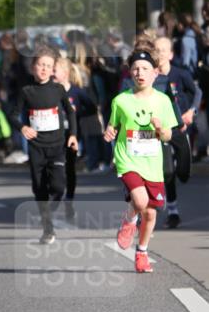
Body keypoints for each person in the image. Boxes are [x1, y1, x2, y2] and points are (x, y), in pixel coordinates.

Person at [104, 43, 178, 273]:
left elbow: (168, 135)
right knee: (139, 202)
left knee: (151, 212)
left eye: (145, 69)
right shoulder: (121, 100)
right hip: (128, 160)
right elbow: (112, 126)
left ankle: (142, 252)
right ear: (130, 72)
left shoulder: (163, 101)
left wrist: (160, 128)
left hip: (152, 163)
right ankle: (128, 221)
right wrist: (109, 132)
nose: (140, 73)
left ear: (156, 73)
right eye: (136, 69)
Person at [21, 46, 78, 244]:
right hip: (36, 147)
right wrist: (22, 128)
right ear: (33, 67)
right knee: (39, 187)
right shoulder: (27, 91)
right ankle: (48, 228)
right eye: (41, 65)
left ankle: (49, 212)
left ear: (53, 68)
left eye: (48, 66)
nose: (44, 69)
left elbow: (70, 112)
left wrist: (73, 135)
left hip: (57, 145)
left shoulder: (58, 89)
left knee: (58, 186)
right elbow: (12, 113)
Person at [153, 36, 199, 228]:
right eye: (157, 50)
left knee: (183, 173)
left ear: (171, 54)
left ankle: (182, 170)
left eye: (164, 50)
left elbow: (198, 92)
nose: (161, 53)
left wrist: (191, 111)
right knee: (167, 171)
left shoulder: (180, 74)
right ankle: (173, 212)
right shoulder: (151, 76)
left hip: (180, 128)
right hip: (161, 129)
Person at [53, 56, 98, 220]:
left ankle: (69, 200)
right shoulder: (50, 90)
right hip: (53, 136)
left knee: (69, 169)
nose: (51, 73)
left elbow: (92, 107)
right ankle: (56, 194)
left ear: (65, 73)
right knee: (55, 168)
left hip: (71, 135)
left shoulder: (76, 92)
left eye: (54, 70)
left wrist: (76, 114)